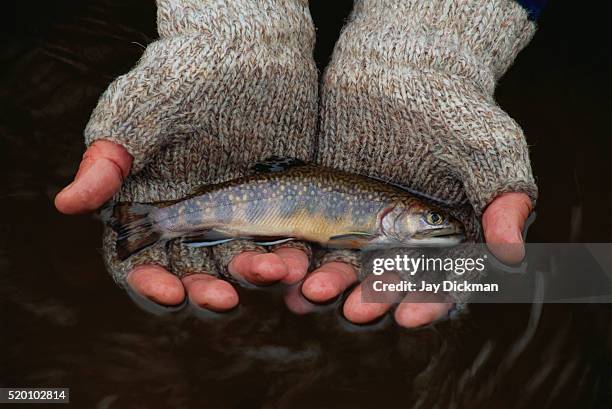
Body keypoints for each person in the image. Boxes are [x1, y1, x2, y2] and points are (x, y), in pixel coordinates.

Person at [54, 0, 543, 327]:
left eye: (432, 220)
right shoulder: (368, 230)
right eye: (431, 220)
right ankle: (150, 223)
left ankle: (150, 222)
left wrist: (430, 44)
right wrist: (237, 29)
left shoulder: (375, 225)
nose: (437, 224)